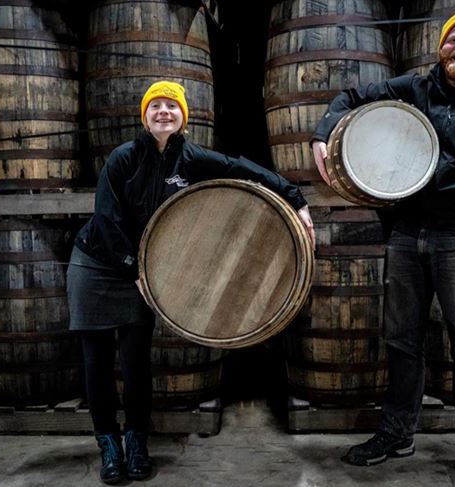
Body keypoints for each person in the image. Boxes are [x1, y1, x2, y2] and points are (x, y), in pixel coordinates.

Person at [311, 11, 455, 487]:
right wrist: (323, 131)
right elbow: (352, 96)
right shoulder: (417, 89)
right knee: (400, 338)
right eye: (452, 38)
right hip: (407, 231)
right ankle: (396, 433)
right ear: (440, 47)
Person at [67, 80, 315, 484]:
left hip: (143, 270)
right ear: (144, 117)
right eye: (155, 106)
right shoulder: (123, 159)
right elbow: (109, 223)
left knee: (134, 363)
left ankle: (137, 442)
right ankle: (108, 445)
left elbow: (240, 167)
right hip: (97, 263)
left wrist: (295, 197)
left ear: (184, 119)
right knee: (96, 364)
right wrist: (137, 272)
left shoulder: (192, 158)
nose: (163, 112)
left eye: (172, 106)